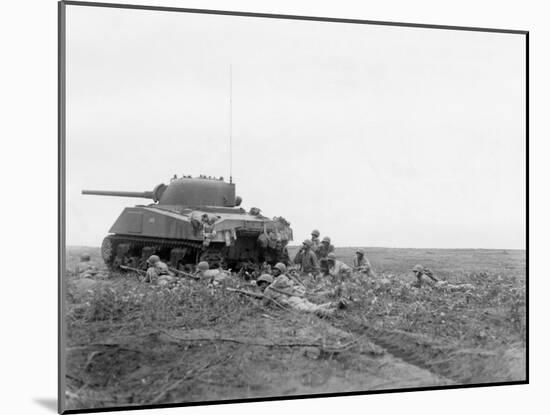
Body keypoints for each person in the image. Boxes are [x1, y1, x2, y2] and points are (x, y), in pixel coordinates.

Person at [264, 262, 336, 316]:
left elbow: (266, 301)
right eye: (274, 269)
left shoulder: (279, 280)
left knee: (308, 310)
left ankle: (329, 311)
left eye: (276, 270)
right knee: (312, 306)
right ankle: (332, 305)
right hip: (296, 295)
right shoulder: (280, 279)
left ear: (281, 271)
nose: (273, 271)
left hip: (293, 297)